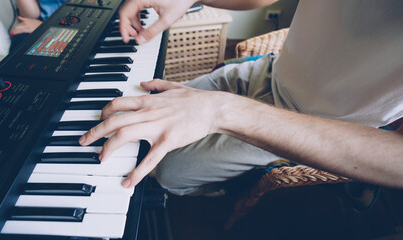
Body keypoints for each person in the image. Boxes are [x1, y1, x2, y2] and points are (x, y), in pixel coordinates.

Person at [79, 0, 403, 195]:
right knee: (139, 117)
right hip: (272, 69)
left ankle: (228, 186)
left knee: (163, 171)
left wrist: (223, 111)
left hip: (318, 129)